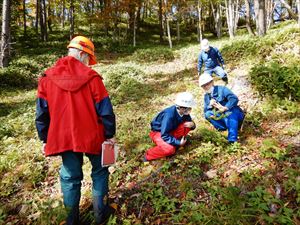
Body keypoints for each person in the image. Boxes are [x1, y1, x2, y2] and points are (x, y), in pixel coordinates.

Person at [35, 36, 116, 225]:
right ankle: (100, 214)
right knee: (100, 171)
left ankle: (71, 221)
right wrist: (109, 135)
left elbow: (41, 114)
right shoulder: (93, 79)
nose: (89, 64)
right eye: (89, 59)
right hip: (93, 136)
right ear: (81, 53)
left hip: (64, 138)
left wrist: (44, 138)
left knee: (70, 177)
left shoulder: (46, 79)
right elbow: (105, 111)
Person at [144, 92, 196, 161]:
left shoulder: (184, 112)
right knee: (169, 149)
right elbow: (164, 134)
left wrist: (193, 125)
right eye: (188, 108)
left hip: (171, 130)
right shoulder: (169, 115)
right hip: (158, 133)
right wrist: (178, 142)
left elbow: (190, 122)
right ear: (181, 107)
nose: (189, 111)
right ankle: (148, 155)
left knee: (187, 124)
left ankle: (175, 143)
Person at [199, 73, 244, 143]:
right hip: (223, 116)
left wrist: (225, 107)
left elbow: (234, 99)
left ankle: (232, 139)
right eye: (203, 86)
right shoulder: (206, 96)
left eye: (207, 84)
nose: (206, 87)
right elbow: (205, 111)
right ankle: (223, 128)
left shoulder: (222, 89)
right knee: (208, 114)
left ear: (212, 82)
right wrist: (210, 105)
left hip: (234, 112)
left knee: (230, 114)